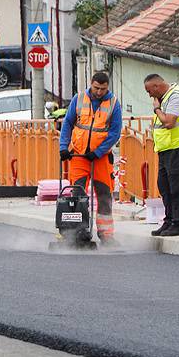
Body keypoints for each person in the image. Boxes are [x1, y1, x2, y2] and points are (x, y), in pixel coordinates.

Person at [59, 71, 122, 244]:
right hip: (79, 155)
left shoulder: (114, 104)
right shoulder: (78, 99)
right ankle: (78, 230)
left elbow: (115, 133)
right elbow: (68, 124)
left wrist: (99, 152)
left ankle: (106, 234)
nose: (99, 92)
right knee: (77, 194)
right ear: (91, 84)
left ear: (107, 87)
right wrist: (64, 147)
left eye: (103, 89)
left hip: (100, 158)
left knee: (104, 195)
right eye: (96, 88)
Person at [144, 74, 179, 237]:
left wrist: (157, 109)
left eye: (149, 91)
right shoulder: (165, 97)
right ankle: (169, 220)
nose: (149, 95)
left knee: (176, 188)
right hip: (165, 149)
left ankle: (177, 224)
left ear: (157, 86)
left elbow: (169, 122)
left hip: (178, 147)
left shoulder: (176, 96)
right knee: (164, 186)